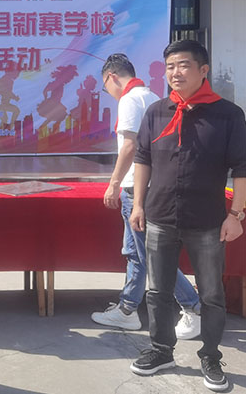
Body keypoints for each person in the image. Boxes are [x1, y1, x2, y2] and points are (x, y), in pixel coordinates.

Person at [128, 40, 246, 392]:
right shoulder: (157, 111)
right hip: (160, 216)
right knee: (158, 292)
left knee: (210, 294)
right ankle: (161, 350)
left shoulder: (228, 115)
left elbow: (242, 168)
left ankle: (210, 356)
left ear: (203, 70)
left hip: (208, 220)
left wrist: (236, 214)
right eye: (169, 67)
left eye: (183, 65)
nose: (175, 73)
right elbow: (142, 159)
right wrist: (138, 204)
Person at [92, 54, 201, 337]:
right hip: (154, 185)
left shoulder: (129, 100)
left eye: (105, 87)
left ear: (111, 77)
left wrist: (113, 183)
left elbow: (129, 146)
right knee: (137, 254)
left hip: (136, 189)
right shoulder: (152, 97)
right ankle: (128, 309)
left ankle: (194, 306)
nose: (108, 92)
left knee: (154, 257)